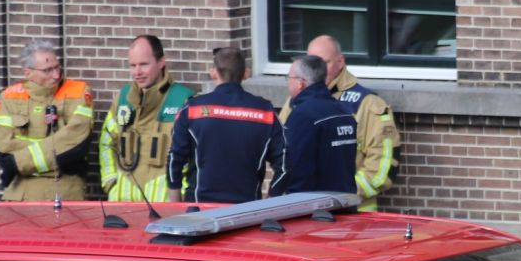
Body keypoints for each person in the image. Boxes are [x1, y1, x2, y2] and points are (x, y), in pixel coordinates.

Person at [166, 45, 285, 204]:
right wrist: (270, 202)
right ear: (245, 73)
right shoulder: (266, 113)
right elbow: (284, 165)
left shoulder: (192, 110)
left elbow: (175, 160)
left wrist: (176, 207)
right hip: (246, 212)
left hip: (199, 210)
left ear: (213, 72)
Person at [301, 34, 399, 211]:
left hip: (353, 217)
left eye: (325, 63)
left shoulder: (369, 104)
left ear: (341, 61)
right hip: (303, 210)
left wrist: (342, 194)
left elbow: (382, 167)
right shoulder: (295, 102)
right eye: (312, 64)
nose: (318, 71)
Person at [0, 39, 93, 201]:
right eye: (47, 70)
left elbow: (75, 142)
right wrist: (57, 160)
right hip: (21, 195)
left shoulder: (78, 92)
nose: (56, 75)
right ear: (28, 73)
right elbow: (4, 150)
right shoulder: (9, 97)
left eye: (57, 67)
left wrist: (19, 163)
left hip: (65, 192)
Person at [99, 35, 195, 203]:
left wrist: (182, 193)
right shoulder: (123, 98)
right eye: (132, 65)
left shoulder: (183, 100)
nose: (137, 72)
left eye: (144, 64)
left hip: (165, 208)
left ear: (161, 62)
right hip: (123, 206)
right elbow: (106, 143)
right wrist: (110, 182)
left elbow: (194, 156)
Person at [275, 54, 358, 194]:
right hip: (345, 202)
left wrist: (285, 200)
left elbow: (294, 165)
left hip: (315, 208)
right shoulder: (344, 112)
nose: (288, 82)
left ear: (301, 83)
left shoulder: (303, 115)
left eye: (288, 78)